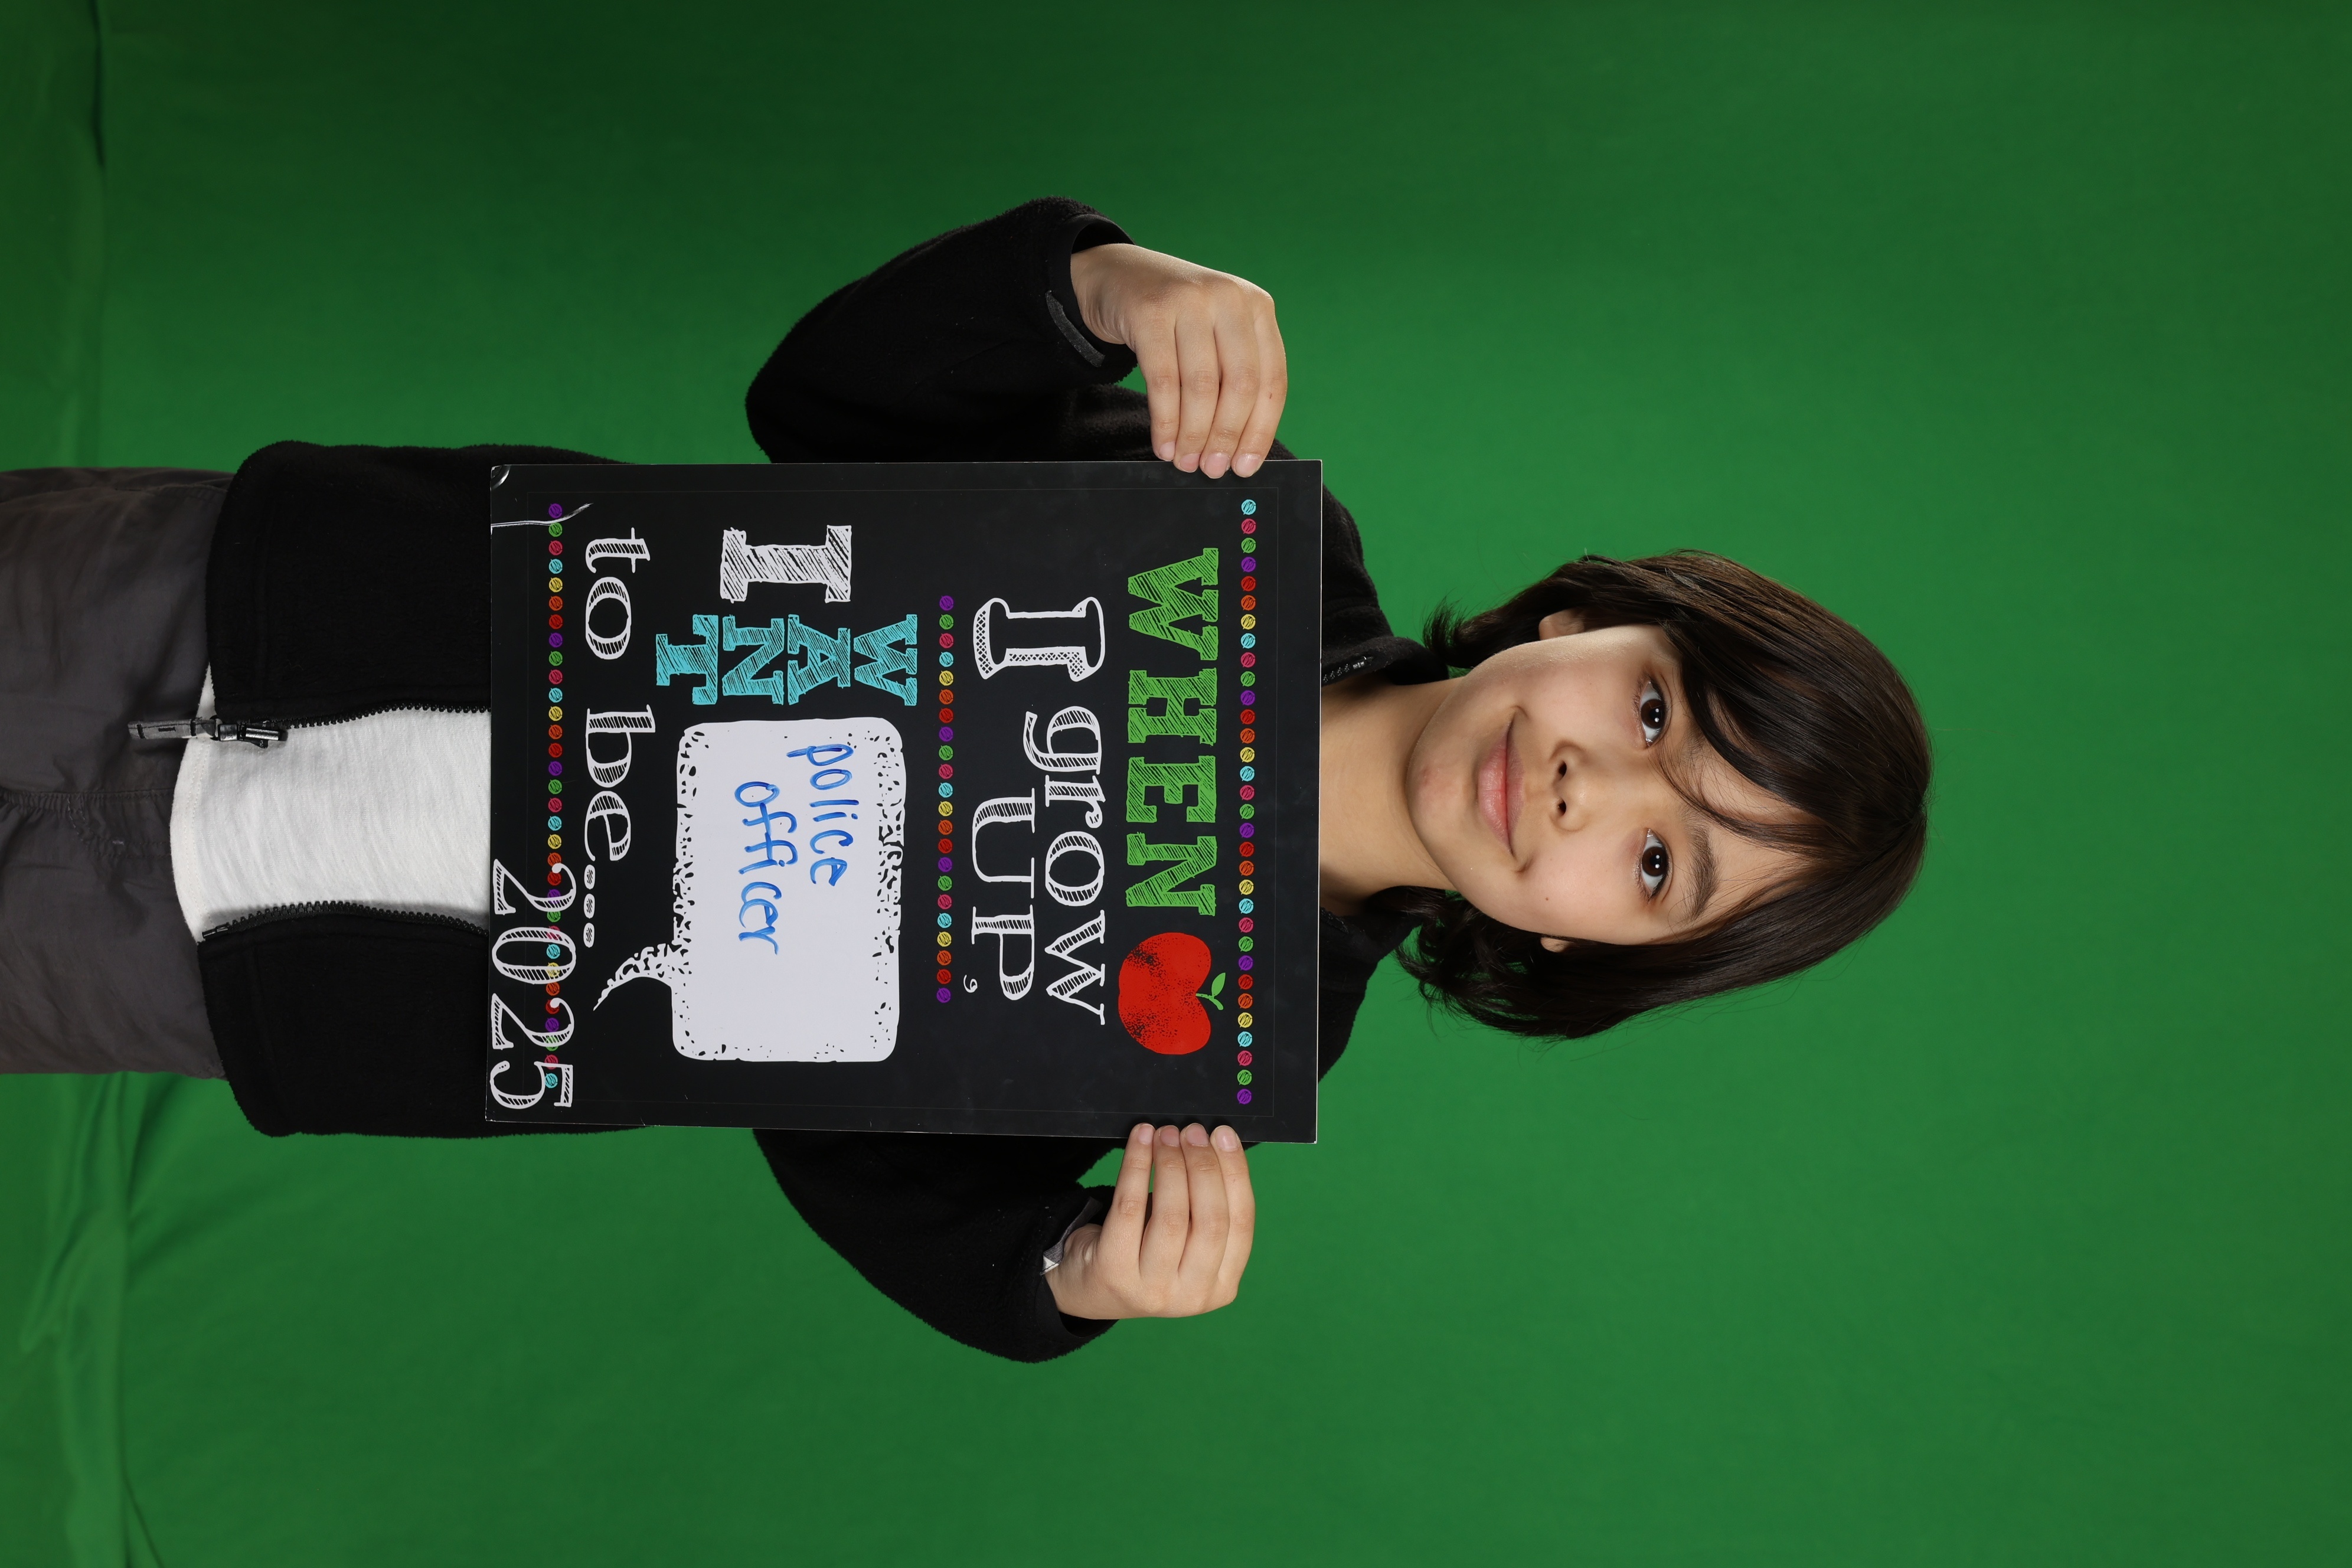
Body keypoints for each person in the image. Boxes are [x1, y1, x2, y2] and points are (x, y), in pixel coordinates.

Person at [0, 198, 1929, 1361]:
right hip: (270, 601)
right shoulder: (1221, 509)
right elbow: (822, 402)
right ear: (1585, 619)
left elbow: (852, 1153)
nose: (1591, 791)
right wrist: (1103, 285)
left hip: (269, 957)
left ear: (1589, 953)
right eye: (1655, 711)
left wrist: (1073, 1272)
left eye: (1662, 867)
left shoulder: (1225, 1052)